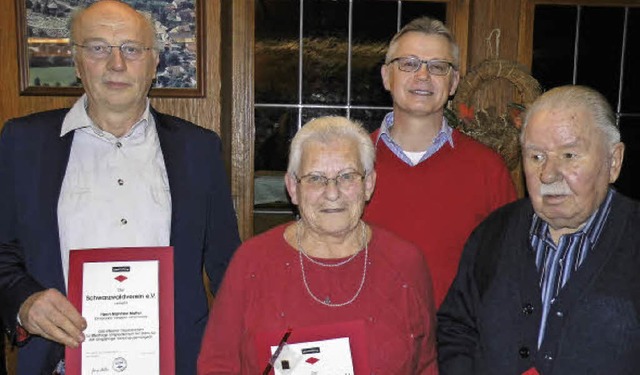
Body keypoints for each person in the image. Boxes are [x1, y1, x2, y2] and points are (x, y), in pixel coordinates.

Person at [0, 1, 240, 374]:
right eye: (98, 48)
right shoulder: (23, 143)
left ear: (154, 62)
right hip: (60, 363)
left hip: (177, 364)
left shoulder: (199, 149)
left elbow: (228, 266)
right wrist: (24, 300)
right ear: (76, 62)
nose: (116, 64)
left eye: (131, 49)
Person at [197, 116, 438, 374]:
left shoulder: (405, 263)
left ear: (368, 184)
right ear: (292, 188)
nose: (332, 193)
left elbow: (425, 366)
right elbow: (217, 365)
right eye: (315, 178)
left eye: (346, 176)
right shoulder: (252, 263)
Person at [437, 85, 639, 374]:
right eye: (536, 157)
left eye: (569, 155)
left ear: (614, 161)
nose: (548, 173)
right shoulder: (493, 233)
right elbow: (457, 328)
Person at [363, 16, 517, 307]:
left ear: (454, 82)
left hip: (456, 344)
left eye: (437, 67)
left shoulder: (488, 169)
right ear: (386, 76)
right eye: (408, 63)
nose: (423, 76)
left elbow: (509, 270)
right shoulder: (351, 165)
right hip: (369, 337)